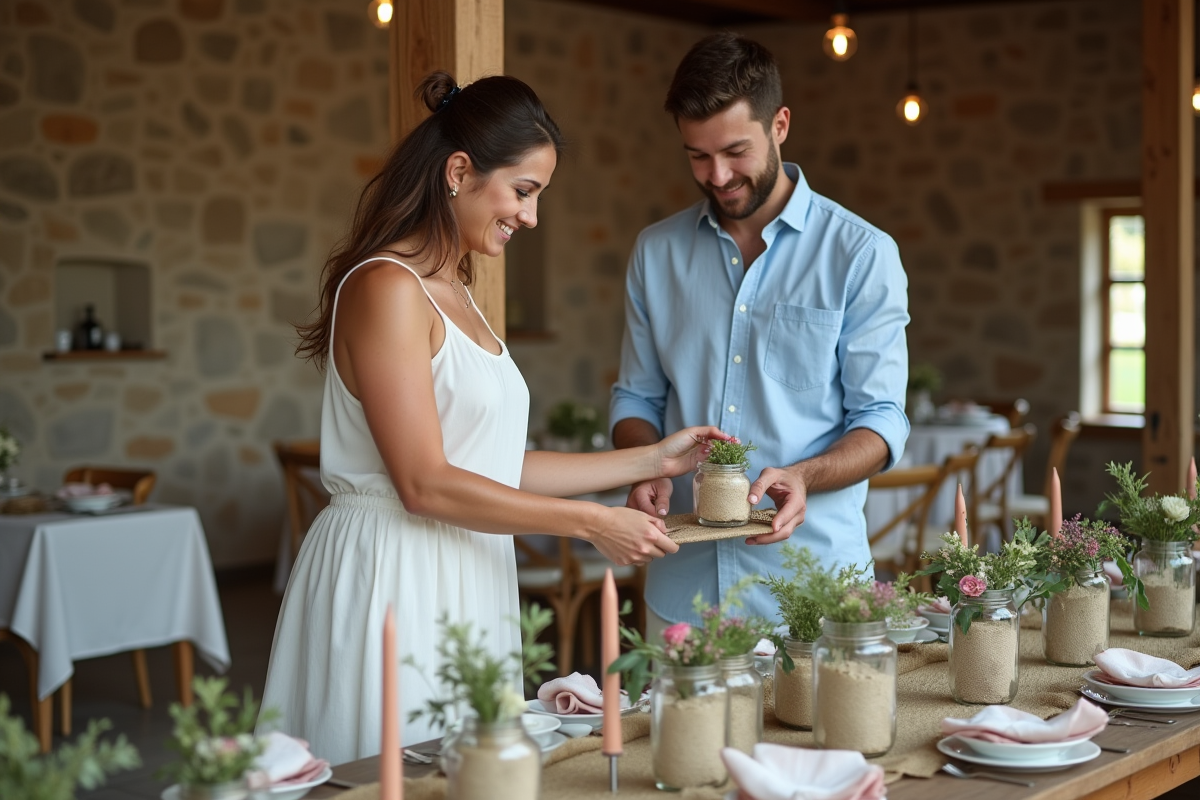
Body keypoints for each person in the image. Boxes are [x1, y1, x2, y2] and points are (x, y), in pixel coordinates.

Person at [260, 71, 730, 764]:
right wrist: (595, 522)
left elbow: (490, 462)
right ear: (459, 172)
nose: (531, 217)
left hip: (467, 565)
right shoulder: (388, 288)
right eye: (524, 191)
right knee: (396, 766)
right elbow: (424, 483)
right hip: (396, 573)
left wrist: (654, 459)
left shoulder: (458, 293)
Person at [610, 33, 910, 631]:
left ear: (780, 124)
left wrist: (803, 475)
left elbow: (880, 420)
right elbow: (635, 399)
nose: (717, 175)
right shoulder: (655, 252)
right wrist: (645, 465)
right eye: (697, 155)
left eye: (735, 151)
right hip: (682, 597)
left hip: (814, 590)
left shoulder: (861, 253)